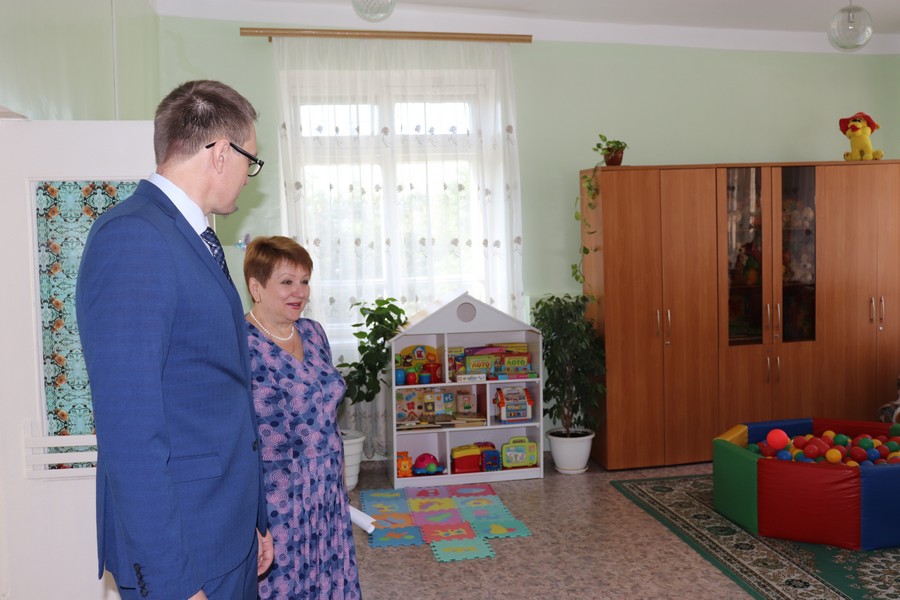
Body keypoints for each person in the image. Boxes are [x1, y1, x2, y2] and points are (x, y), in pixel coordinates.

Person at [76, 80, 273, 600]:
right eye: (251, 161)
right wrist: (170, 582)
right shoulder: (134, 237)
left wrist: (253, 518)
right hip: (184, 550)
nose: (248, 177)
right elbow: (130, 431)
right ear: (222, 153)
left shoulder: (192, 236)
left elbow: (214, 390)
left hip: (224, 526)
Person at [242, 236, 362, 600]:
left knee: (329, 579)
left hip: (326, 490)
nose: (300, 292)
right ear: (256, 287)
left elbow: (327, 419)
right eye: (287, 281)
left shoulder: (313, 332)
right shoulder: (239, 342)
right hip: (277, 499)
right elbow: (231, 433)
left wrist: (340, 485)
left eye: (305, 281)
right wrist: (248, 516)